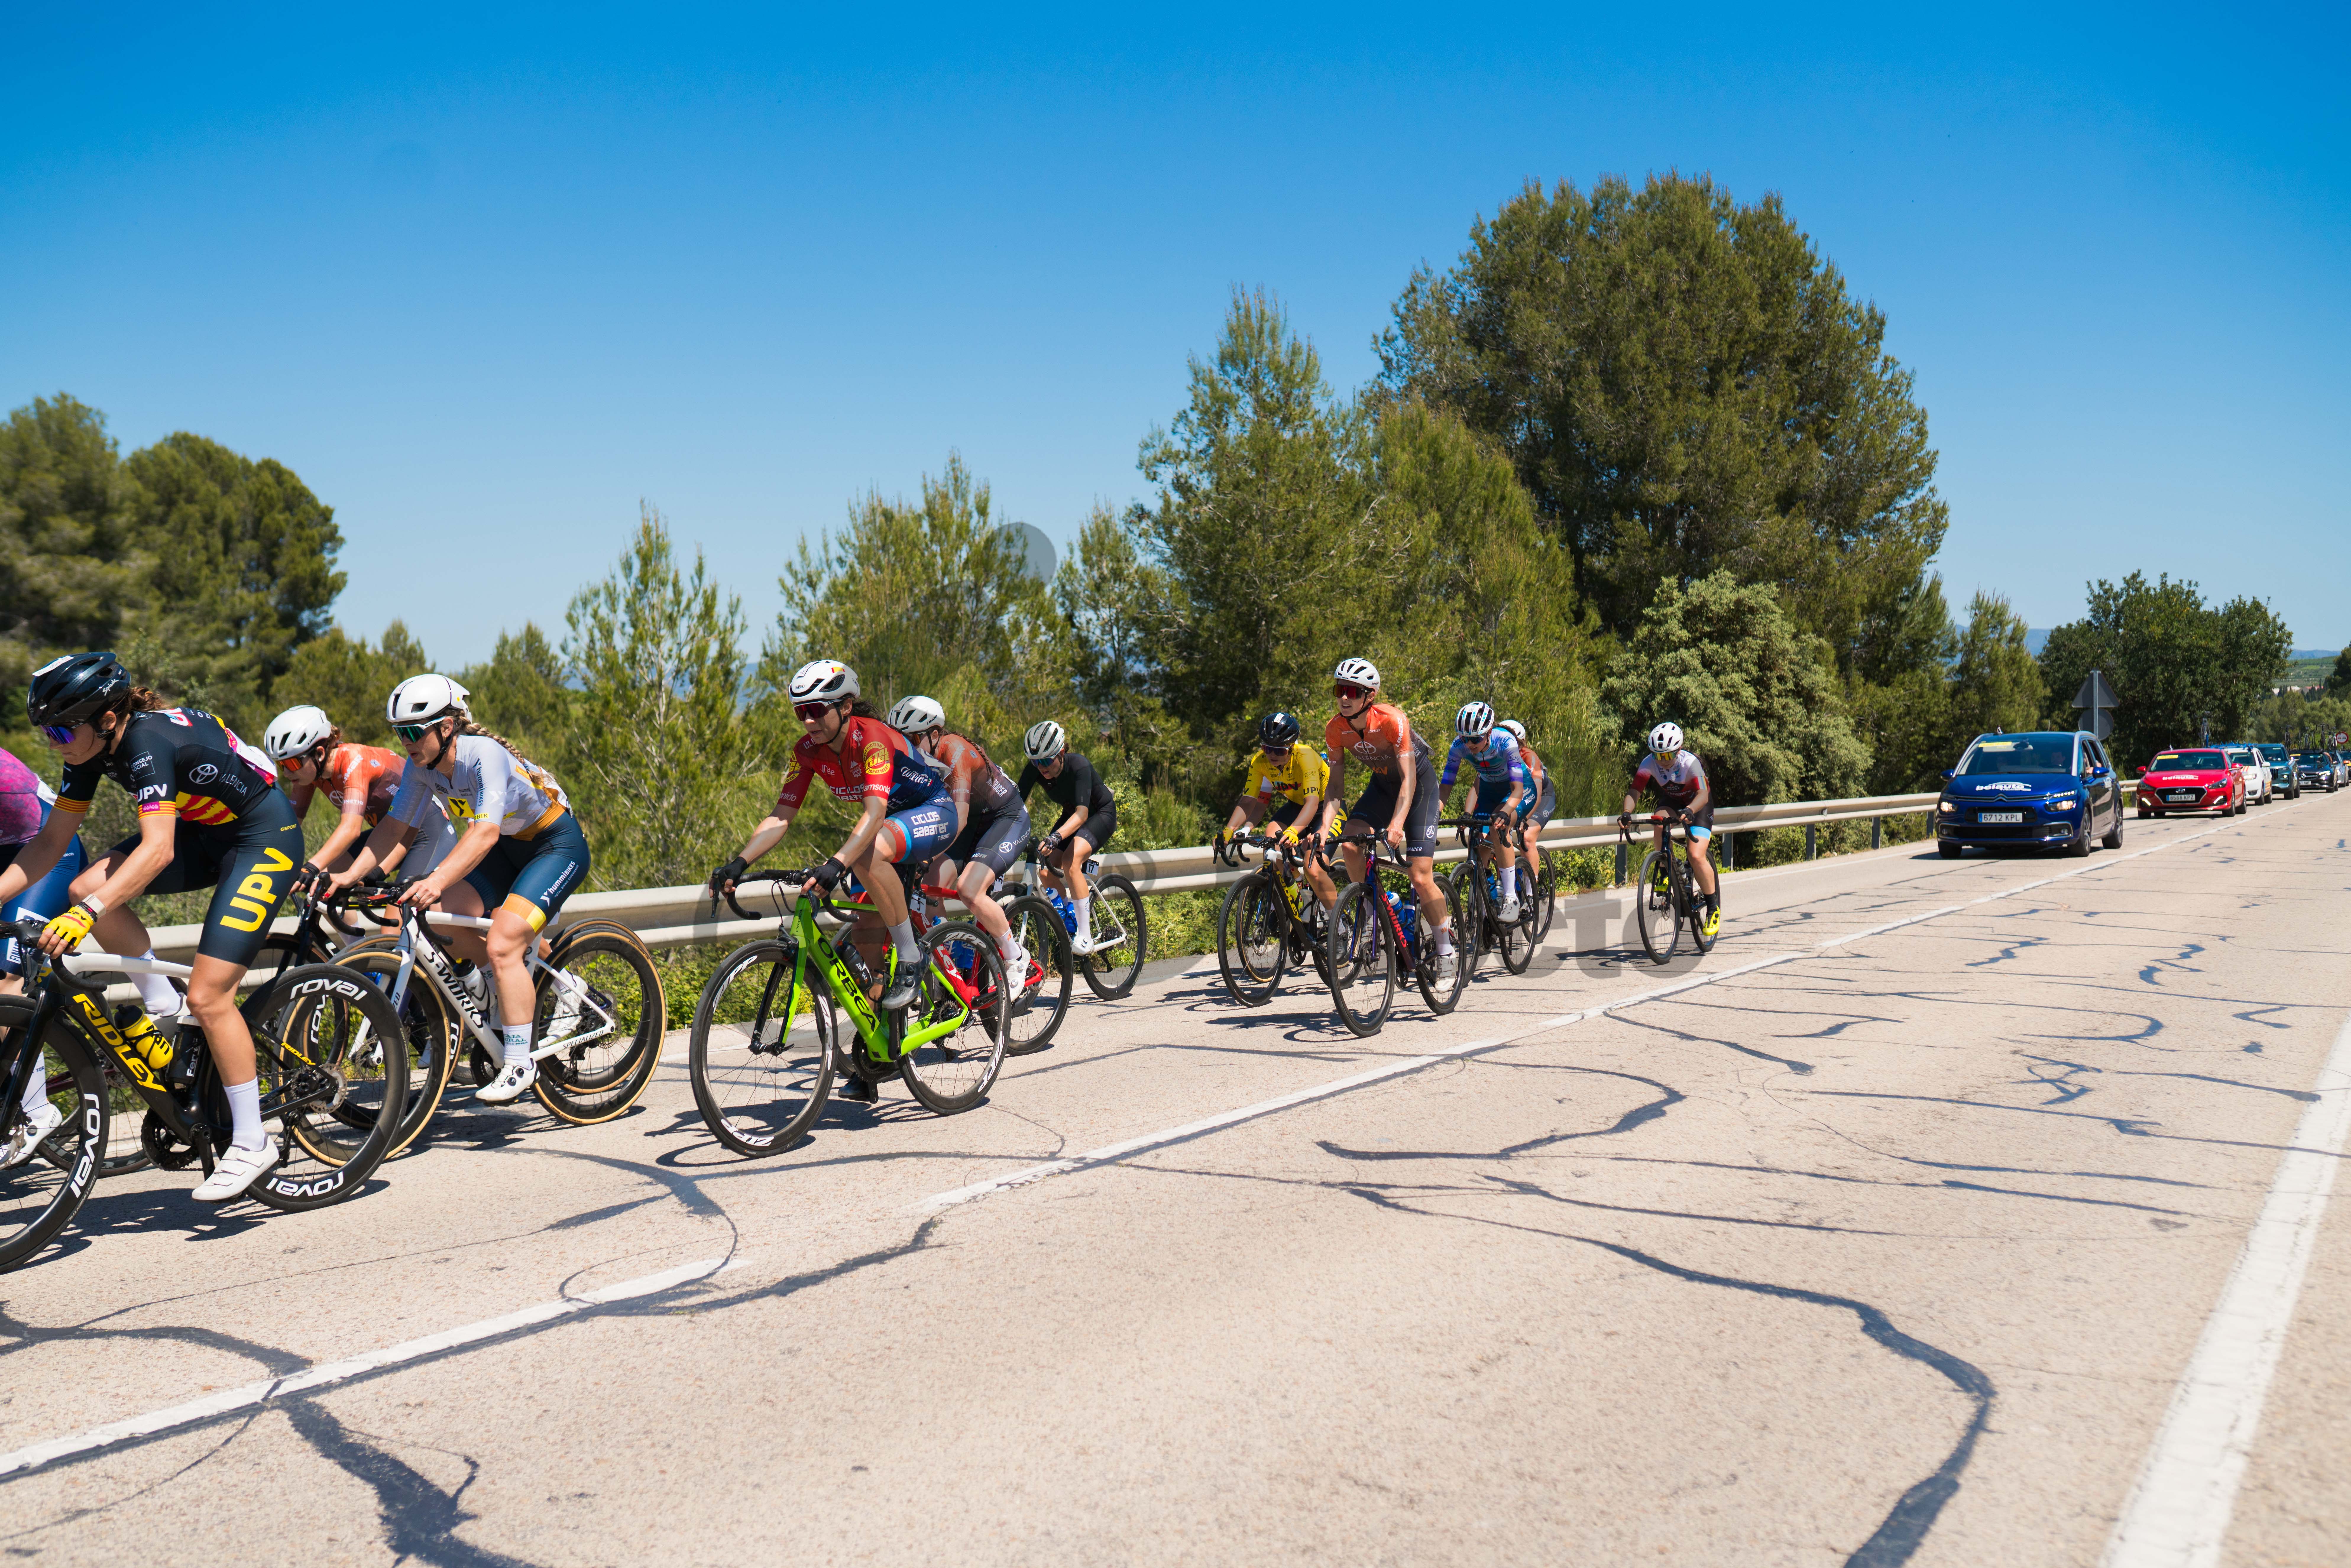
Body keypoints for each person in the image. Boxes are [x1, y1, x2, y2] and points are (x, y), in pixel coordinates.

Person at [0, 653, 299, 1198]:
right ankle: (164, 1004)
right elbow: (48, 845)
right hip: (205, 836)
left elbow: (158, 850)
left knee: (210, 996)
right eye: (45, 729)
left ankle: (254, 1140)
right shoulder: (88, 749)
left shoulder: (147, 742)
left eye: (62, 728)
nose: (52, 740)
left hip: (262, 838)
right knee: (83, 885)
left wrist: (86, 917)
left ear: (108, 719)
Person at [329, 674, 594, 1106]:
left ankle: (520, 1060)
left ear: (447, 728)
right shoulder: (421, 767)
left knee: (505, 941)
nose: (407, 742)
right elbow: (395, 829)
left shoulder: (482, 755)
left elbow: (484, 833)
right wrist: (351, 876)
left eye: (414, 732)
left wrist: (434, 880)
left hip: (553, 846)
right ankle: (494, 988)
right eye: (399, 733)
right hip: (507, 848)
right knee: (437, 921)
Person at [710, 660, 956, 1034]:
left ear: (845, 707)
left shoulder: (872, 738)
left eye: (815, 711)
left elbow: (874, 814)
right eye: (800, 712)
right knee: (866, 945)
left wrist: (837, 863)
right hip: (888, 828)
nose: (808, 721)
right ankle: (878, 1051)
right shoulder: (806, 751)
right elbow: (781, 817)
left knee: (866, 852)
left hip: (933, 812)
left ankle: (911, 955)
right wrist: (739, 862)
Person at [1314, 658, 1454, 979]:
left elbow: (1409, 780)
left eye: (1352, 691)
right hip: (1381, 787)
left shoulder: (1392, 720)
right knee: (1350, 844)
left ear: (1370, 695)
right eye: (1339, 690)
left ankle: (1446, 950)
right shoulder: (1335, 729)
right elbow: (1335, 787)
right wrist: (1324, 828)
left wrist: (1396, 824)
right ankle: (1371, 912)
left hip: (1418, 788)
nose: (1344, 698)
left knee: (1419, 877)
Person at [883, 694, 1033, 982]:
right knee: (927, 889)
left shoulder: (954, 750)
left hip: (1004, 818)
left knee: (969, 890)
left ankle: (1015, 956)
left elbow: (959, 819)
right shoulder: (915, 760)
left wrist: (925, 858)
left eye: (912, 740)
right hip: (969, 827)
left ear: (935, 734)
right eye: (899, 740)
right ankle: (949, 967)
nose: (906, 748)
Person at [263, 704, 454, 887]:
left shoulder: (353, 759)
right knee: (323, 885)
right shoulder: (308, 774)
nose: (287, 774)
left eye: (291, 764)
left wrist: (311, 867)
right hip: (388, 836)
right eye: (281, 765)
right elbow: (289, 829)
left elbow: (351, 829)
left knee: (398, 913)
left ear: (320, 754)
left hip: (427, 833)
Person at [1015, 721, 1119, 955]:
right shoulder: (1035, 769)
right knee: (1046, 872)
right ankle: (1071, 918)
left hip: (1099, 813)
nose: (1040, 767)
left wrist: (1055, 838)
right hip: (1072, 815)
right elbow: (1014, 805)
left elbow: (1082, 814)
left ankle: (1085, 936)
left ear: (1061, 753)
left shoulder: (1079, 765)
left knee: (1072, 863)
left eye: (1045, 761)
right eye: (1035, 761)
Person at [1216, 711, 1336, 912]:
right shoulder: (1260, 762)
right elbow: (1248, 801)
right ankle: (1298, 892)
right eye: (1267, 748)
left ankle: (1340, 925)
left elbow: (1312, 804)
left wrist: (1293, 831)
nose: (1272, 755)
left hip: (1326, 807)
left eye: (1279, 752)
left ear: (1291, 747)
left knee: (1313, 870)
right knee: (1272, 842)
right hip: (1298, 806)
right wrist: (1230, 829)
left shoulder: (1305, 757)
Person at [1621, 720, 1719, 935]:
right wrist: (1627, 813)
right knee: (1658, 819)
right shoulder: (1649, 764)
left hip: (1699, 804)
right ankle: (1667, 868)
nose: (1662, 761)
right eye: (1657, 756)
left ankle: (1713, 908)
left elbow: (1703, 794)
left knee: (1695, 855)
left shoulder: (1690, 764)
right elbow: (1635, 791)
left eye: (1666, 756)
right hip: (1673, 800)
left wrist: (1691, 810)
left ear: (1679, 750)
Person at [1436, 700, 1529, 922]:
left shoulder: (1505, 742)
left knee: (1499, 828)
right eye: (1464, 738)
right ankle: (1488, 899)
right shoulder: (1458, 747)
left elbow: (1517, 790)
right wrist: (1436, 812)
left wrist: (1506, 812)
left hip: (1518, 788)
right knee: (1476, 841)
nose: (1469, 744)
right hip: (1489, 789)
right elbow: (1446, 786)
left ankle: (1510, 897)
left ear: (1488, 733)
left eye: (1475, 739)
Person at [1495, 719, 1556, 890]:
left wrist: (1526, 818)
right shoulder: (1497, 755)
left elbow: (1535, 794)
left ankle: (1531, 893)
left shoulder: (1529, 757)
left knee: (1527, 839)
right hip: (1515, 796)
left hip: (1542, 796)